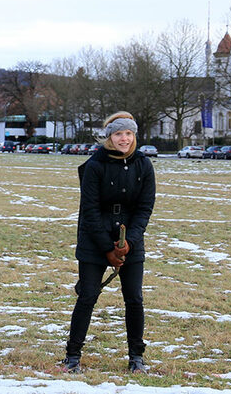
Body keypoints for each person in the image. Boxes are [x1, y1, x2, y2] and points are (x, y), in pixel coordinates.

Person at [62, 111, 155, 374]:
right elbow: (89, 211)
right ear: (109, 137)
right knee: (88, 296)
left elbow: (145, 208)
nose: (123, 139)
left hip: (130, 241)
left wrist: (130, 243)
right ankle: (72, 356)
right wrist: (107, 248)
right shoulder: (95, 165)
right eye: (118, 134)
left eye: (128, 133)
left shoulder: (144, 165)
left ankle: (136, 357)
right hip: (95, 239)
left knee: (134, 299)